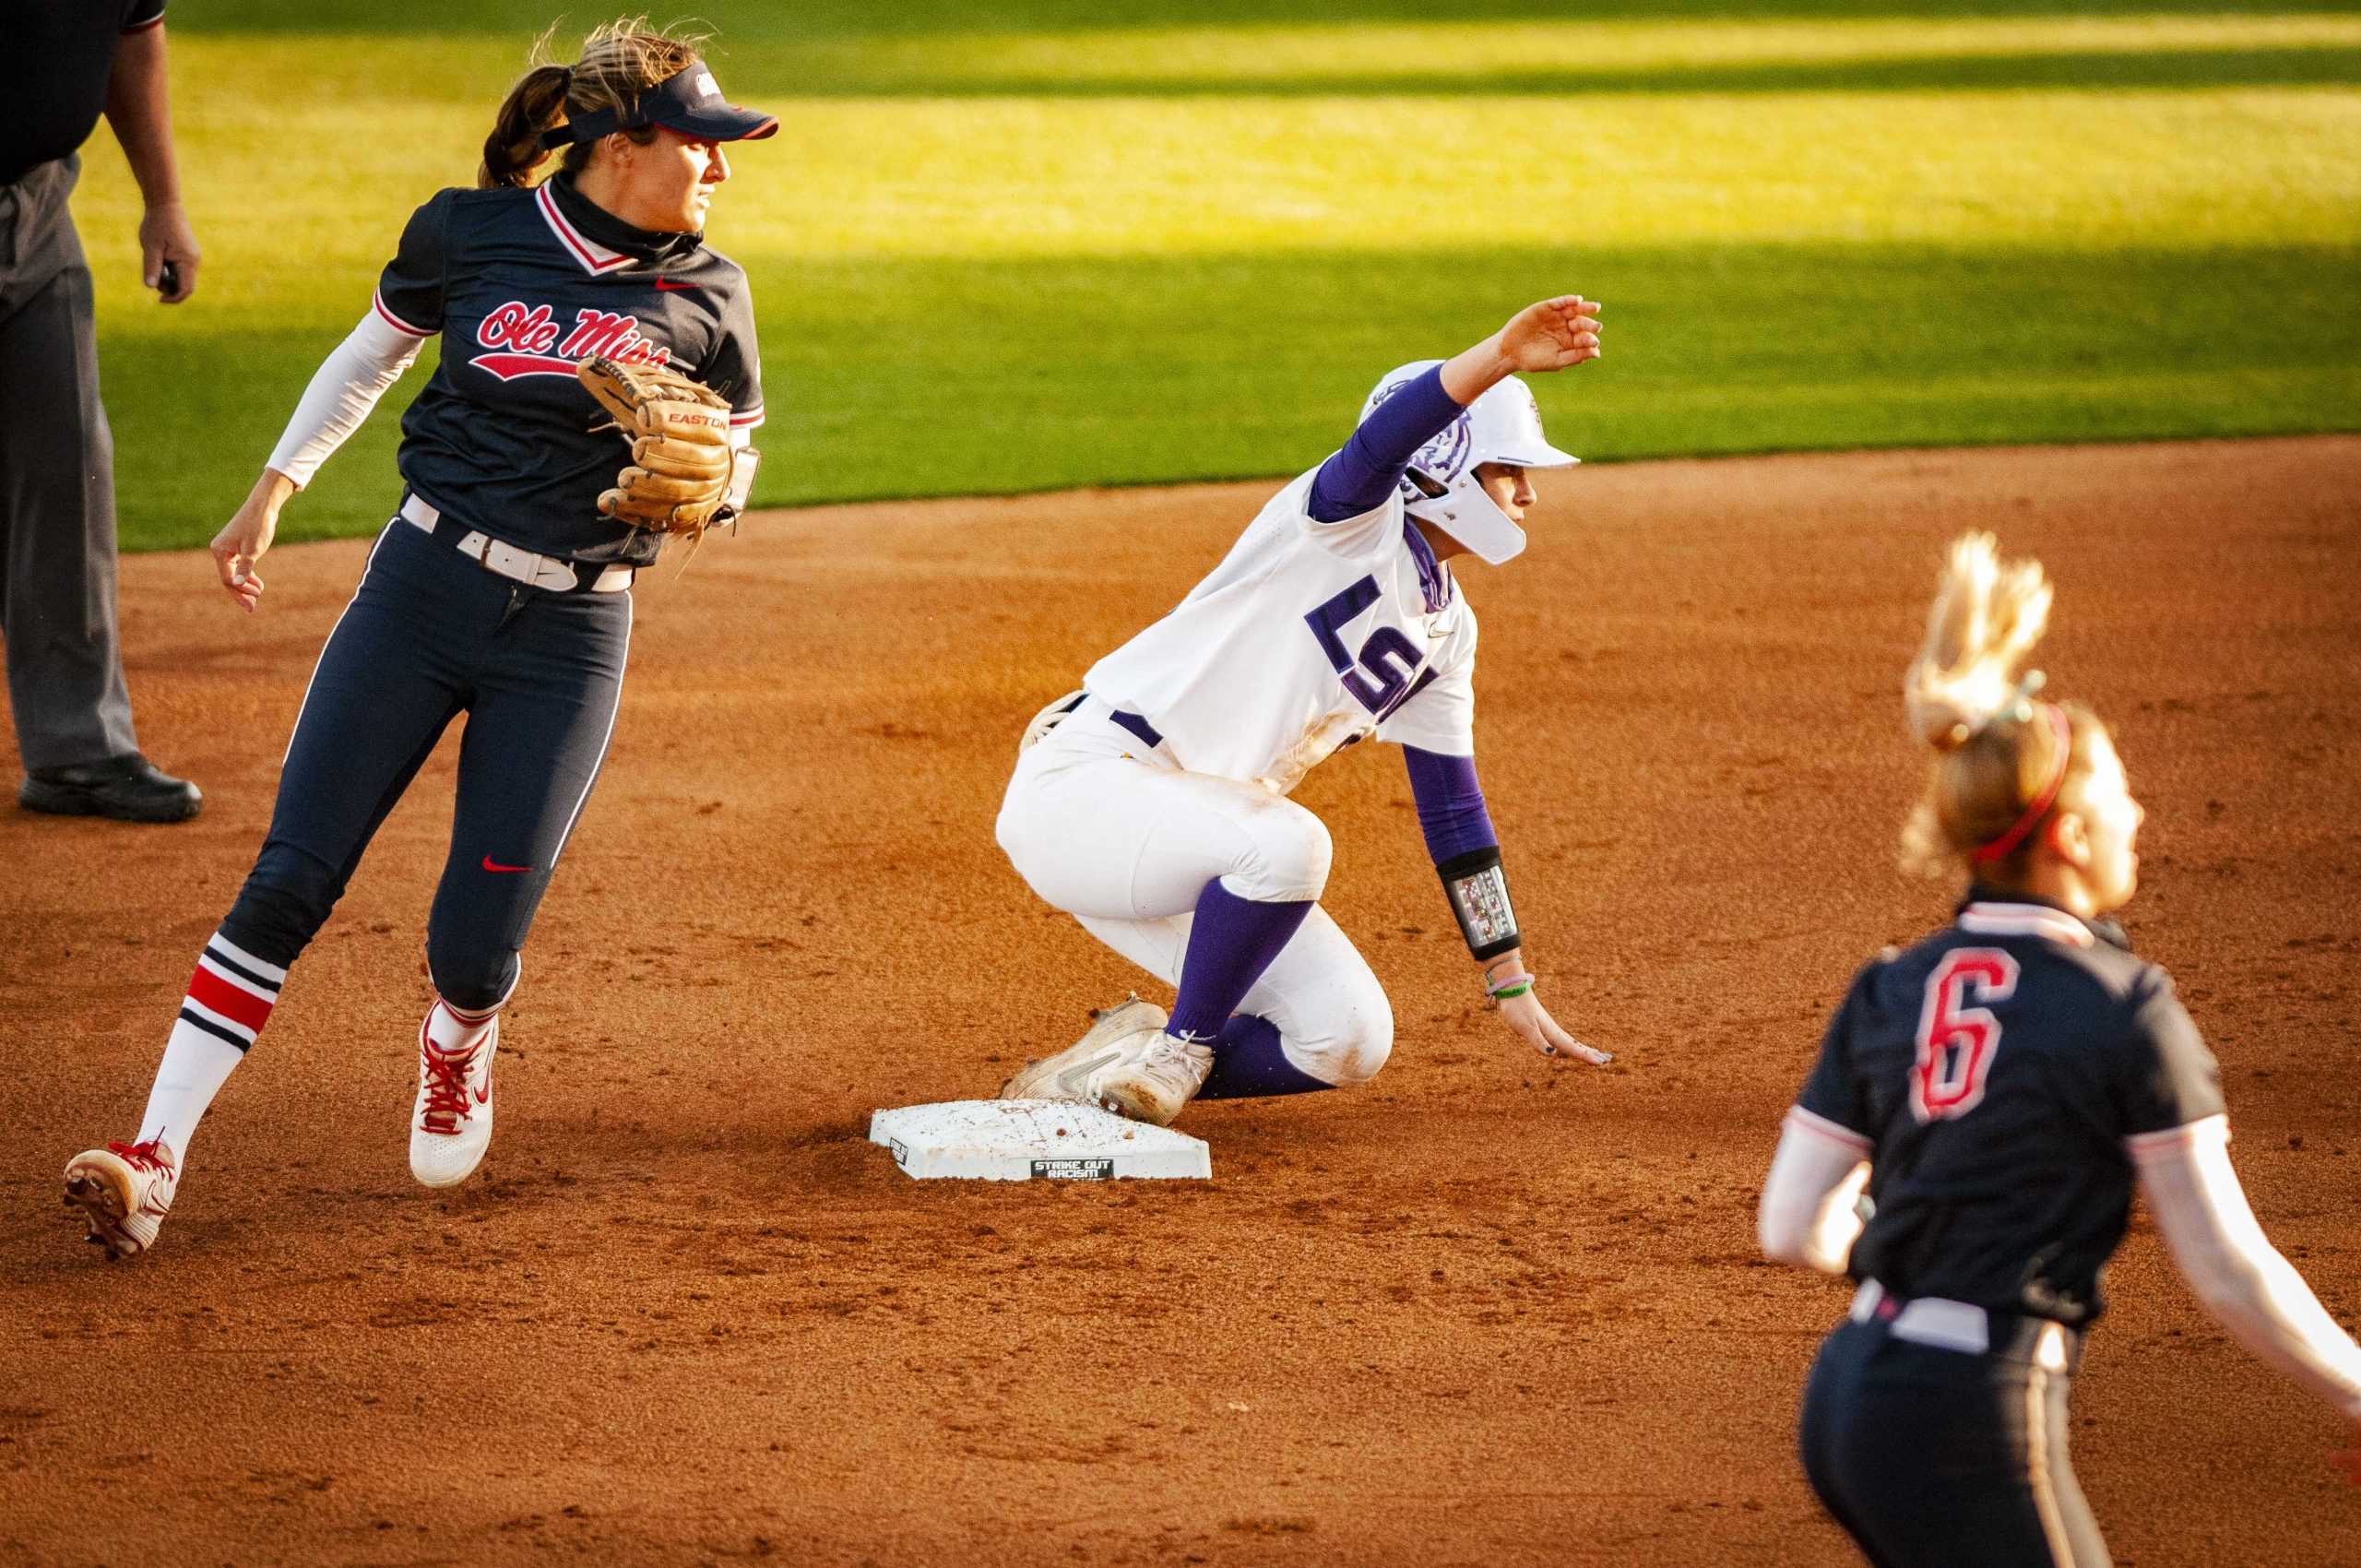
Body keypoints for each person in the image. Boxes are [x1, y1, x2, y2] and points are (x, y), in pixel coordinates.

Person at [61, 18, 773, 1258]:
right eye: (701, 147)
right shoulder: (472, 232)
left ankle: (457, 1043)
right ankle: (152, 1157)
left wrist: (717, 486)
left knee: (474, 942)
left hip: (572, 633)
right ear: (618, 147)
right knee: (291, 877)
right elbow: (369, 355)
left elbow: (740, 453)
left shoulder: (711, 292)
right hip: (419, 594)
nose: (721, 170)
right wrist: (275, 487)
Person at [1756, 533, 2361, 1565]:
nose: (2139, 811)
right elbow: (2222, 1265)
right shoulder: (2125, 1008)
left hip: (1848, 1391)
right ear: (2070, 837)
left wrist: (1918, 1245)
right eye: (2118, 792)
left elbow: (1789, 1224)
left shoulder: (1890, 985)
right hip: (1967, 1414)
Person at [992, 295, 1613, 1128]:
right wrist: (1496, 357)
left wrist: (1508, 975)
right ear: (1442, 469)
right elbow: (1380, 444)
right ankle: (1183, 1048)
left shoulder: (1446, 631)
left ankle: (1117, 1063)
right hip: (1090, 789)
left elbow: (1453, 807)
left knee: (1349, 1038)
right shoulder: (1342, 524)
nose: (1529, 495)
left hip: (1196, 846)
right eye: (1509, 470)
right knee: (1291, 839)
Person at [4, 0, 202, 822]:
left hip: (40, 208)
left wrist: (164, 201)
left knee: (70, 468)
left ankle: (78, 748)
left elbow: (134, 36)